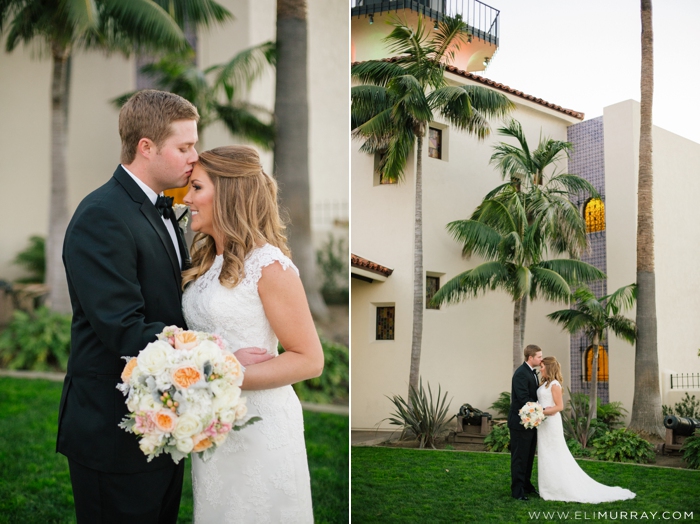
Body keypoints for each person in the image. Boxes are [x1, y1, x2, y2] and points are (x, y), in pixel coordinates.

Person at [58, 90, 200, 522]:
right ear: (146, 147)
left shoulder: (160, 207)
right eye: (184, 146)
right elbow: (123, 327)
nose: (195, 155)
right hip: (112, 434)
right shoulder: (102, 214)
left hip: (162, 425)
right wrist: (214, 355)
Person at [181, 145, 324, 523]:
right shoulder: (207, 261)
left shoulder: (270, 265)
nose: (186, 198)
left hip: (261, 426)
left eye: (196, 188)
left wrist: (226, 374)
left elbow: (310, 359)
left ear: (228, 193)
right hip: (215, 424)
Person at [536, 356, 635, 503]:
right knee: (545, 454)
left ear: (549, 368)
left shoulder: (555, 385)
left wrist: (540, 411)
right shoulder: (544, 384)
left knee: (555, 453)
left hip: (551, 423)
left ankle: (558, 488)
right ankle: (547, 487)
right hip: (542, 424)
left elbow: (559, 407)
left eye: (542, 367)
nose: (540, 369)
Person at [508, 344, 543, 500]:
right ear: (531, 358)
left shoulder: (531, 372)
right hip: (520, 423)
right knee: (520, 458)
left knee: (528, 456)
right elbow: (524, 399)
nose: (541, 359)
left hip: (531, 422)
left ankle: (526, 485)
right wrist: (541, 410)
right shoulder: (521, 374)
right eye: (539, 357)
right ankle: (517, 491)